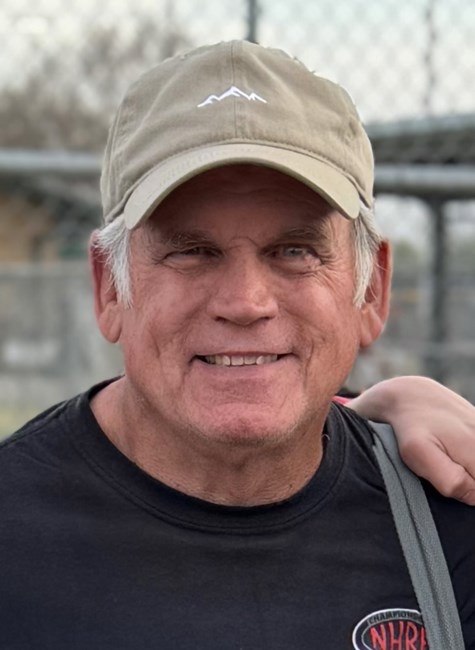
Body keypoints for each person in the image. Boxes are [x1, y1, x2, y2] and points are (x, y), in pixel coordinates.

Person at [1, 41, 474, 649]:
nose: (246, 302)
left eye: (295, 251)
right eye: (192, 251)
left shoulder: (449, 517)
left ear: (372, 290)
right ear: (110, 288)